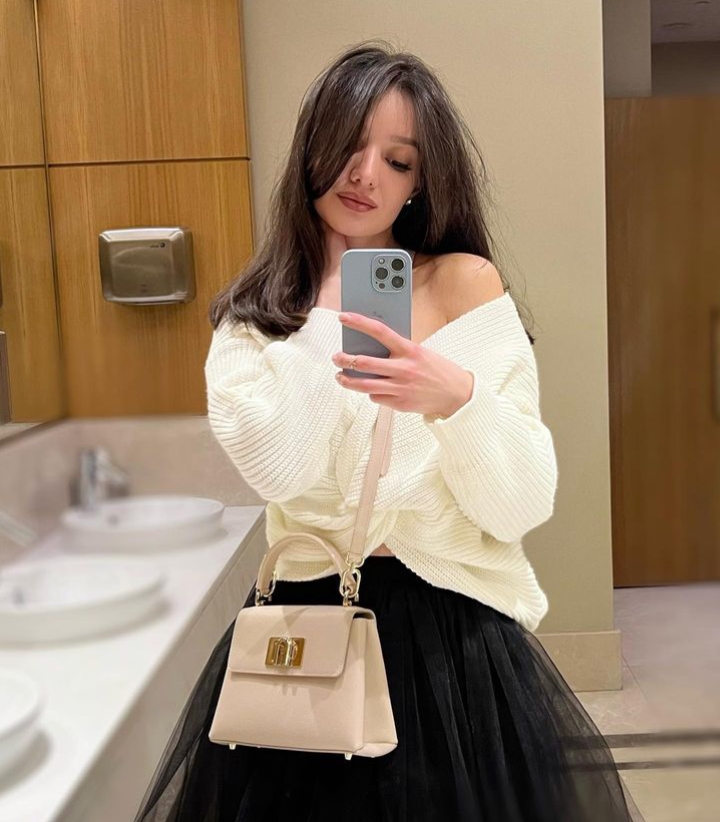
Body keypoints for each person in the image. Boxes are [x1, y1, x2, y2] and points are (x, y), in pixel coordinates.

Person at [133, 40, 632, 822]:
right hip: (306, 631)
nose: (367, 175)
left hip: (453, 643)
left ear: (419, 183)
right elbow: (279, 471)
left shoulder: (464, 286)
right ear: (313, 150)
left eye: (398, 161)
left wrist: (457, 398)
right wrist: (325, 306)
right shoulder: (254, 321)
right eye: (350, 147)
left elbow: (520, 505)